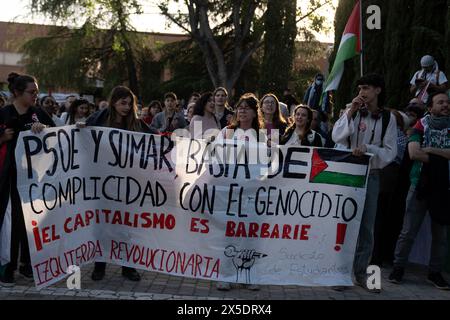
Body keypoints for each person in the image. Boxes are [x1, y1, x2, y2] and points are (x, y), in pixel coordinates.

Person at [332, 73, 398, 293]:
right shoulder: (350, 111)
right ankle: (340, 274)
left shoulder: (388, 118)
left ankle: (362, 274)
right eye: (360, 88)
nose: (362, 92)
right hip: (348, 174)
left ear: (378, 90)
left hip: (372, 175)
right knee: (344, 224)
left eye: (367, 88)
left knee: (367, 228)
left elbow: (390, 152)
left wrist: (368, 150)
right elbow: (337, 137)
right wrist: (350, 113)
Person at [85, 86, 158, 282]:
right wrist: (80, 129)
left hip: (129, 185)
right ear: (113, 103)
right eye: (122, 103)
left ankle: (128, 267)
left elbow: (155, 136)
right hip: (103, 183)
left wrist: (173, 139)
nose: (126, 107)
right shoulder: (100, 118)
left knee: (127, 226)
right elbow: (83, 133)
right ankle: (99, 265)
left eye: (129, 103)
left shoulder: (135, 123)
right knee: (102, 225)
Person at [388, 90, 450, 290]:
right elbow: (414, 153)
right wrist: (443, 156)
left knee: (440, 234)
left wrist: (431, 150)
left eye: (447, 102)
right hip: (420, 183)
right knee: (408, 230)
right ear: (430, 107)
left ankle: (435, 273)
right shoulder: (420, 125)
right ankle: (398, 268)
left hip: (444, 186)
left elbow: (423, 151)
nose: (446, 105)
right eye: (440, 102)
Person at [0, 73, 55, 286]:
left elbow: (58, 135)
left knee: (31, 223)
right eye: (32, 92)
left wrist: (44, 130)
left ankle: (27, 265)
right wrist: (3, 138)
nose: (36, 96)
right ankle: (7, 266)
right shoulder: (4, 113)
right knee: (10, 224)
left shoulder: (38, 113)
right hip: (10, 179)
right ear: (17, 93)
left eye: (37, 92)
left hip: (34, 179)